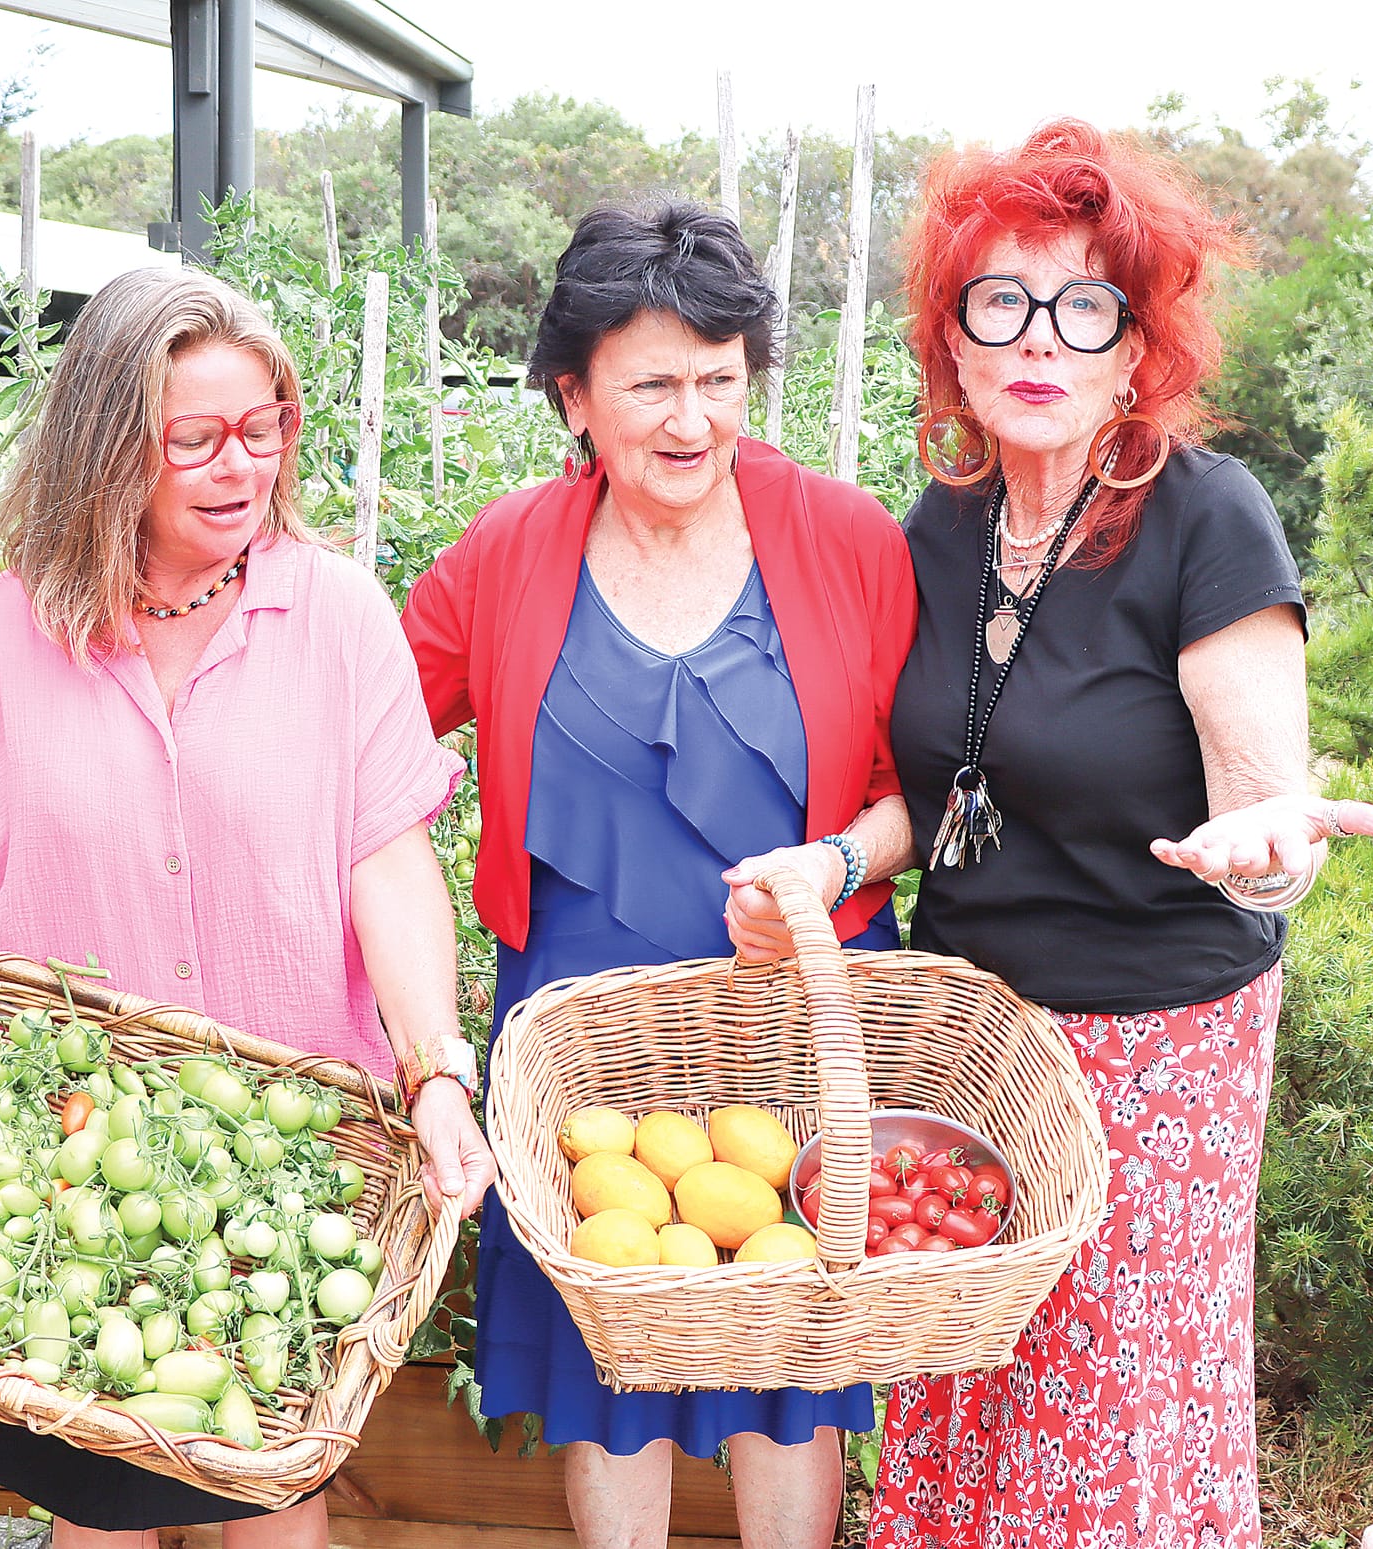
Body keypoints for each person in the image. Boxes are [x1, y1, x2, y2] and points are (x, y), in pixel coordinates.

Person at [0, 266, 495, 1549]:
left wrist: (433, 1074)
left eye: (263, 429)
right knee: (94, 1518)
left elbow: (386, 856)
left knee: (274, 1495)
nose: (237, 465)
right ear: (107, 443)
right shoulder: (14, 630)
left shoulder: (338, 616)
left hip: (284, 1158)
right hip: (63, 1161)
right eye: (193, 438)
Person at [870, 120, 1373, 1549]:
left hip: (1157, 1044)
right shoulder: (943, 523)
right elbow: (937, 792)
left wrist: (1270, 850)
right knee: (966, 1377)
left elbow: (1268, 813)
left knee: (1106, 1394)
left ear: (1133, 343)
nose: (1039, 338)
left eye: (1083, 304)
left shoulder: (1206, 518)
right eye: (1002, 300)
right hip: (974, 1036)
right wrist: (843, 859)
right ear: (956, 344)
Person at [402, 201, 917, 1549]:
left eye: (719, 377)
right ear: (574, 395)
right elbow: (371, 737)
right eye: (652, 385)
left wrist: (835, 860)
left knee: (790, 1386)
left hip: (795, 1025)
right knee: (606, 1377)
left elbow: (938, 789)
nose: (691, 418)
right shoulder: (507, 554)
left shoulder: (850, 542)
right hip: (583, 1054)